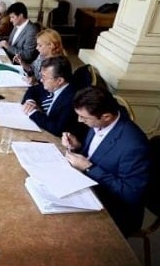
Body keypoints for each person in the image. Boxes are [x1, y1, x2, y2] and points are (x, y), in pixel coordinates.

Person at [62, 86, 150, 237]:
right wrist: (78, 147)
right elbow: (100, 154)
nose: (79, 121)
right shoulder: (100, 120)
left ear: (106, 116)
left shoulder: (134, 147)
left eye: (84, 118)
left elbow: (130, 193)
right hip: (89, 187)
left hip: (116, 208)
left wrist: (89, 168)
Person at [21, 56, 86, 139]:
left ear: (59, 80)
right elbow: (33, 89)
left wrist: (33, 112)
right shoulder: (53, 85)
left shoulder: (71, 100)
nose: (41, 80)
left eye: (44, 77)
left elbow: (57, 129)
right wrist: (30, 102)